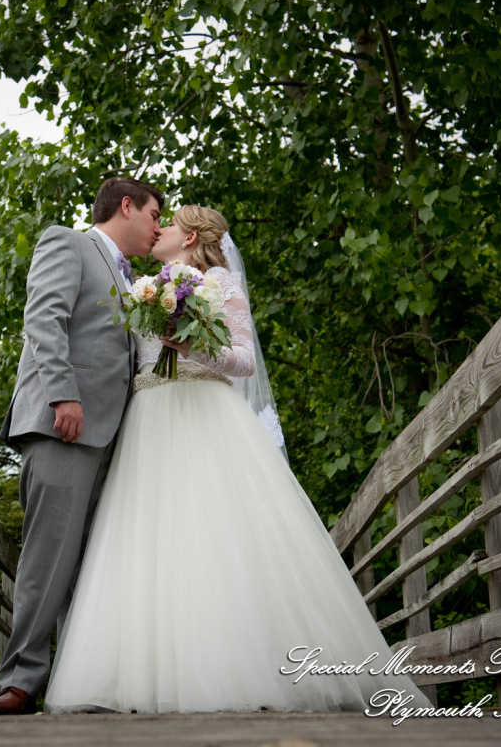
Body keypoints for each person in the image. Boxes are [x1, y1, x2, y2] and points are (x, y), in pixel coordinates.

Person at [43, 205, 434, 713]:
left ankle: (234, 671)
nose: (156, 229)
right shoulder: (144, 288)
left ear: (189, 238)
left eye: (168, 223)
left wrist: (191, 346)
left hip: (206, 413)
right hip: (149, 422)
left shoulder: (220, 283)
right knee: (149, 540)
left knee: (215, 536)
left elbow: (244, 361)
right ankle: (137, 677)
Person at [0, 178, 165, 715]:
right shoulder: (68, 242)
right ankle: (19, 681)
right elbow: (44, 318)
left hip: (110, 437)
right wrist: (63, 395)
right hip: (66, 425)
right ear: (126, 206)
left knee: (88, 565)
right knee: (49, 556)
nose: (159, 225)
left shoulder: (132, 277)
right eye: (155, 213)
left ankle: (72, 684)